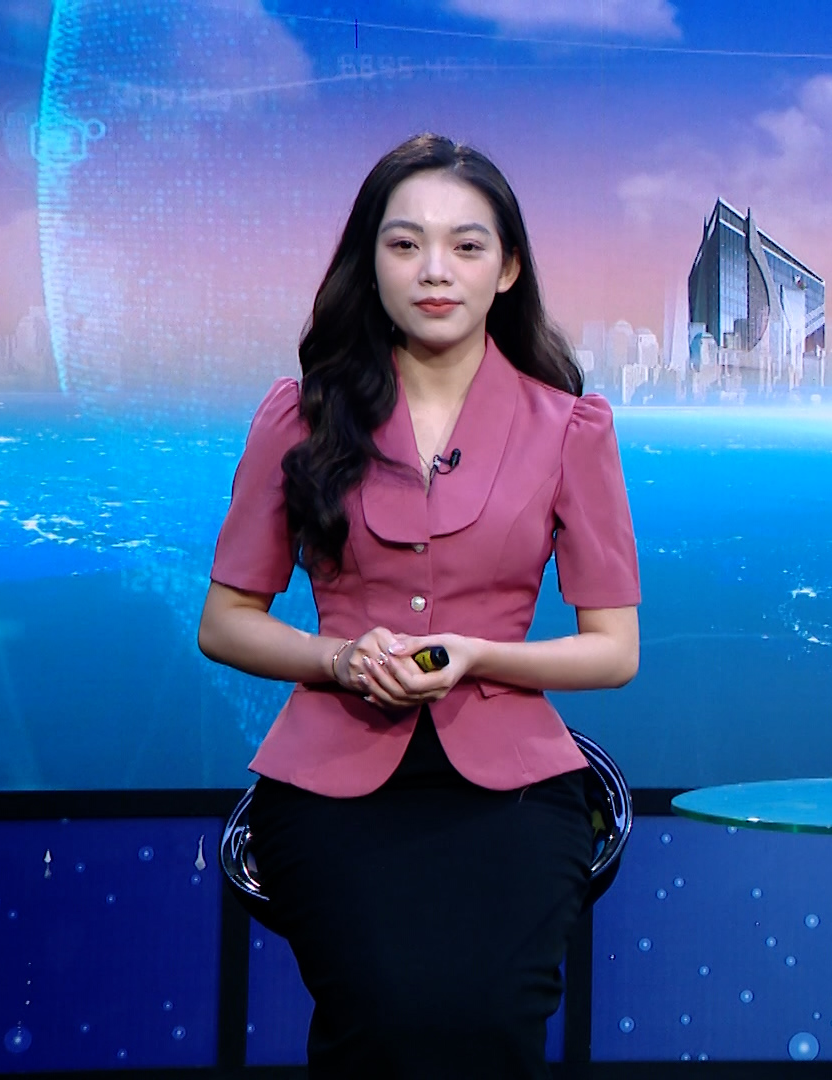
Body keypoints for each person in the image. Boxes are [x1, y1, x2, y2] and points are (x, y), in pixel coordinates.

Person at [197, 133, 641, 1076]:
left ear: (507, 269)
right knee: (387, 1024)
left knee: (491, 1027)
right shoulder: (300, 417)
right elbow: (225, 622)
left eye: (466, 246)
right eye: (405, 244)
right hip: (331, 784)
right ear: (371, 263)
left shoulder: (571, 428)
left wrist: (479, 657)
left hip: (515, 790)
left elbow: (614, 650)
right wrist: (339, 658)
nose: (435, 270)